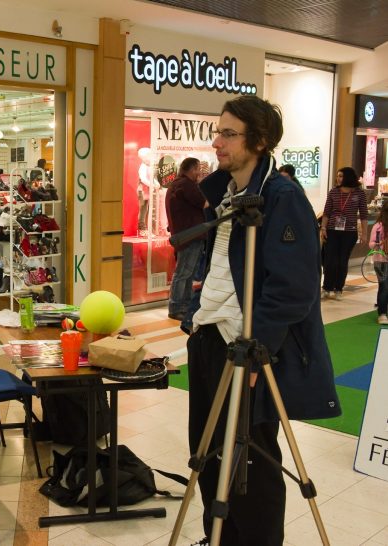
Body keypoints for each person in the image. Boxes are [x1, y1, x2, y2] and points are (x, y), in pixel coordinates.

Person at [186, 95, 341, 546]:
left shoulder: (282, 197)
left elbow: (294, 288)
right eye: (216, 132)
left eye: (228, 133)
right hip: (210, 336)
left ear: (259, 140)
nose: (217, 142)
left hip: (246, 346)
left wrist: (259, 350)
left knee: (251, 463)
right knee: (208, 454)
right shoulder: (225, 191)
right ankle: (218, 537)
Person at [165, 157, 206, 321]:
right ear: (193, 168)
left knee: (186, 274)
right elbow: (205, 203)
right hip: (191, 235)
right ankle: (176, 307)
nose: (199, 173)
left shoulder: (176, 184)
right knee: (183, 273)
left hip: (184, 235)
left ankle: (185, 306)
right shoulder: (186, 185)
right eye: (198, 169)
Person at [320, 167, 368, 299]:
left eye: (341, 176)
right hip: (332, 230)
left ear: (348, 177)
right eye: (337, 176)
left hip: (350, 232)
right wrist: (323, 228)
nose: (338, 178)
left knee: (342, 261)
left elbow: (364, 214)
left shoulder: (359, 193)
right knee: (330, 261)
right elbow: (326, 211)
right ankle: (326, 287)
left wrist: (364, 233)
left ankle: (338, 289)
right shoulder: (333, 192)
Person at [369, 202, 388, 324]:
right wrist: (378, 244)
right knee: (384, 286)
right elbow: (371, 244)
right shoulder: (378, 226)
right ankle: (382, 314)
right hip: (381, 261)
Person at [136, 147, 157, 237]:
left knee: (147, 210)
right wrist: (152, 184)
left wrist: (156, 183)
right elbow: (143, 179)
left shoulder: (149, 166)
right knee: (143, 210)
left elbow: (151, 178)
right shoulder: (143, 167)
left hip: (148, 191)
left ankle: (146, 229)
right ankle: (142, 229)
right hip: (142, 191)